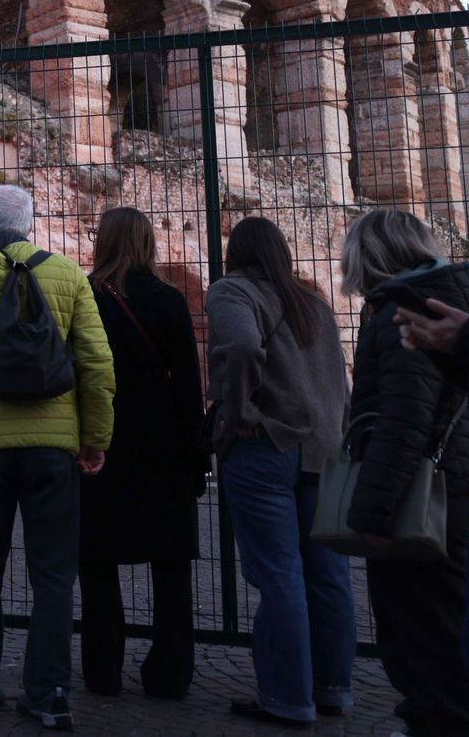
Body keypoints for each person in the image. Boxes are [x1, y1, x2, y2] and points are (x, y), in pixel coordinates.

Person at [0, 184, 114, 731]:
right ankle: (50, 691)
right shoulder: (66, 275)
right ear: (31, 225)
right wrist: (95, 439)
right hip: (53, 447)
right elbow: (97, 366)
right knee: (54, 573)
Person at [207, 217, 353, 730]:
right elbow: (339, 376)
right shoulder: (313, 301)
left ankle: (287, 697)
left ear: (236, 252)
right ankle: (333, 688)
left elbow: (244, 346)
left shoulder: (233, 291)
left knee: (279, 575)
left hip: (267, 443)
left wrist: (241, 408)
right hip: (325, 448)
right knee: (329, 575)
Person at [340, 209, 469, 737]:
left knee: (424, 636)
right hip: (452, 490)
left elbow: (403, 420)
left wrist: (370, 513)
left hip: (422, 501)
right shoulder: (451, 303)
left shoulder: (406, 312)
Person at [78, 207, 204, 700]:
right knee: (170, 563)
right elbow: (189, 386)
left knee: (97, 562)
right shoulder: (169, 300)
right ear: (148, 242)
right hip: (163, 441)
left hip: (101, 439)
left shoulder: (86, 295)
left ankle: (102, 670)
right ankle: (170, 673)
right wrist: (196, 453)